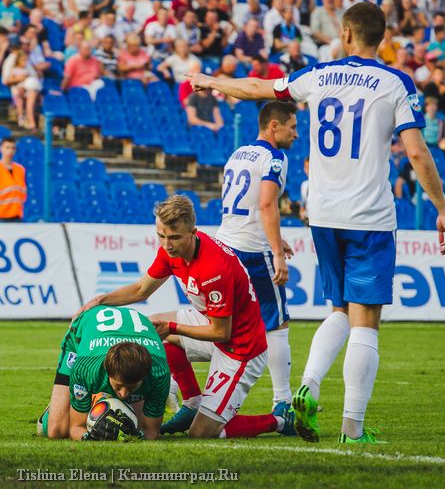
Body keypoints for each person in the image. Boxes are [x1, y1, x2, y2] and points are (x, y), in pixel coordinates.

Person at [187, 2, 445, 444]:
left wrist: (210, 81)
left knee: (338, 310)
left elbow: (257, 87)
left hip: (324, 215)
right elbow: (415, 151)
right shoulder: (395, 83)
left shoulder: (319, 75)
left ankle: (307, 388)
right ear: (381, 39)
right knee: (366, 320)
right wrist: (441, 208)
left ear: (346, 34)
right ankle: (352, 427)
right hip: (369, 215)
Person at [75, 195, 295, 440]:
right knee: (148, 330)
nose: (167, 244)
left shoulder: (214, 269)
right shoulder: (172, 251)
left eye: (174, 237)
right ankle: (192, 403)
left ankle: (279, 421)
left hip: (241, 348)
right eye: (161, 235)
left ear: (193, 232)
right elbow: (141, 289)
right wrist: (99, 300)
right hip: (212, 321)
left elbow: (222, 333)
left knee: (202, 433)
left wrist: (172, 327)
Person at [214, 100, 298, 427]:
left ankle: (191, 395)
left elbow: (245, 205)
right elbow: (265, 205)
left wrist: (278, 239)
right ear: (273, 126)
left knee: (223, 326)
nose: (296, 133)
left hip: (225, 245)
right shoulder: (275, 157)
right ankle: (283, 404)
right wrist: (276, 252)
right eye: (292, 126)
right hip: (252, 251)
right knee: (276, 324)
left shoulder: (239, 153)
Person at [38, 308, 169, 441]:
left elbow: (151, 432)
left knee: (134, 426)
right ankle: (57, 408)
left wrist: (135, 436)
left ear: (144, 376)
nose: (123, 394)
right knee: (57, 431)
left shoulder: (159, 373)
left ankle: (106, 397)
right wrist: (90, 437)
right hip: (80, 337)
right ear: (107, 372)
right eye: (119, 386)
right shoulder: (86, 368)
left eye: (131, 387)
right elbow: (76, 428)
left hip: (130, 335)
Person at [2, 49, 41, 130]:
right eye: (23, 60)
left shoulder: (27, 70)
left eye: (25, 60)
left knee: (31, 96)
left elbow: (34, 78)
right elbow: (8, 80)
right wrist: (20, 79)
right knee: (19, 100)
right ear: (18, 60)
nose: (25, 62)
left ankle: (31, 121)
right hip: (17, 91)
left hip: (26, 90)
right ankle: (21, 118)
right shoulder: (14, 70)